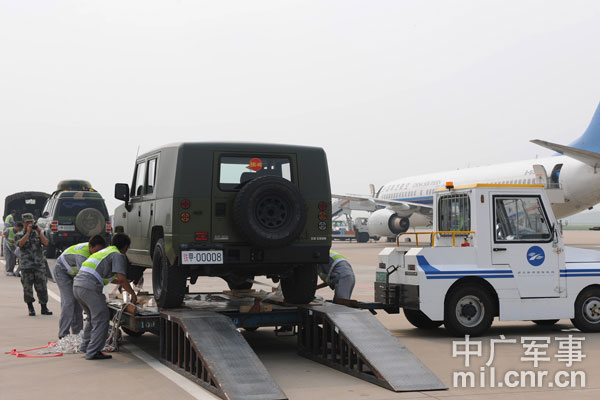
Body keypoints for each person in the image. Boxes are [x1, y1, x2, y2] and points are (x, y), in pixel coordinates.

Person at [73, 233, 137, 360]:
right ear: (125, 247)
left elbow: (113, 278)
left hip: (78, 285)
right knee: (102, 317)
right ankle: (93, 352)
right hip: (88, 286)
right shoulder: (118, 255)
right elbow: (122, 278)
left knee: (92, 317)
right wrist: (132, 294)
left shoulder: (105, 252)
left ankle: (85, 346)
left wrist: (122, 282)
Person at [55, 235, 107, 339]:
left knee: (78, 304)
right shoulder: (82, 255)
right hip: (62, 272)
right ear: (90, 246)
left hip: (74, 274)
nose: (97, 254)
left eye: (100, 251)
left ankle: (78, 334)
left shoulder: (96, 252)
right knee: (69, 302)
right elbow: (85, 277)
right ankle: (63, 334)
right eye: (95, 251)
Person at [16, 213, 52, 316]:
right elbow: (20, 244)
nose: (30, 224)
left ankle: (44, 307)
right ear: (23, 223)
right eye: (27, 222)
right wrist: (27, 233)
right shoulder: (19, 234)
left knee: (42, 287)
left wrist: (40, 232)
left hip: (39, 265)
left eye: (31, 222)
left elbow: (46, 243)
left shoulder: (38, 233)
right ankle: (30, 308)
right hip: (26, 266)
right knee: (27, 289)